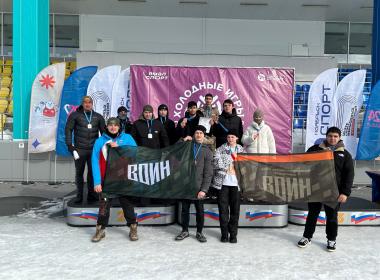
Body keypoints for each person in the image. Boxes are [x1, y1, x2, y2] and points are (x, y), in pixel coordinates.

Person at [297, 126, 354, 252]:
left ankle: (331, 239)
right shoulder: (314, 150)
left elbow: (349, 175)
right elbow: (303, 164)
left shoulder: (345, 155)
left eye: (335, 136)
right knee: (312, 214)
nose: (332, 138)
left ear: (339, 138)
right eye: (330, 136)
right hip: (316, 189)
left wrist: (345, 192)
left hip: (334, 192)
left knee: (332, 216)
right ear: (326, 136)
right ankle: (307, 237)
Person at [91, 117, 139, 242]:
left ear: (119, 126)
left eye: (115, 125)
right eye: (110, 125)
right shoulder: (100, 141)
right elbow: (94, 161)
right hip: (106, 180)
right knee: (104, 206)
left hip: (123, 178)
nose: (113, 127)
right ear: (107, 126)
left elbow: (135, 153)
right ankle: (100, 229)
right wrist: (97, 182)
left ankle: (133, 227)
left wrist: (119, 146)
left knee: (127, 205)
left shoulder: (127, 138)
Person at [175, 125, 213, 243]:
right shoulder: (187, 146)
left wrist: (204, 189)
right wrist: (182, 140)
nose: (198, 135)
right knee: (184, 209)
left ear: (204, 135)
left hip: (199, 186)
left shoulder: (207, 150)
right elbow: (174, 150)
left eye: (201, 133)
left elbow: (208, 172)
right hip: (186, 184)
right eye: (196, 133)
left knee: (199, 211)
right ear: (193, 134)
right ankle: (185, 230)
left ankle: (199, 232)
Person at [65, 96, 105, 204]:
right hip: (79, 150)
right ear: (82, 104)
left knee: (92, 173)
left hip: (93, 150)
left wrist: (105, 146)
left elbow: (104, 134)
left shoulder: (98, 117)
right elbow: (68, 130)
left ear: (92, 104)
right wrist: (70, 145)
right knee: (79, 173)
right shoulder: (75, 115)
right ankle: (79, 196)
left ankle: (92, 195)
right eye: (85, 102)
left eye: (89, 102)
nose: (87, 104)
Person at [212, 129, 244, 243]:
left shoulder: (242, 150)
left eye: (232, 137)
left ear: (237, 138)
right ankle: (224, 234)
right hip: (222, 183)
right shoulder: (220, 148)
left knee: (235, 211)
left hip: (236, 184)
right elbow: (216, 163)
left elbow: (245, 167)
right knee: (223, 210)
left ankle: (233, 235)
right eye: (229, 137)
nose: (230, 139)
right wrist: (231, 158)